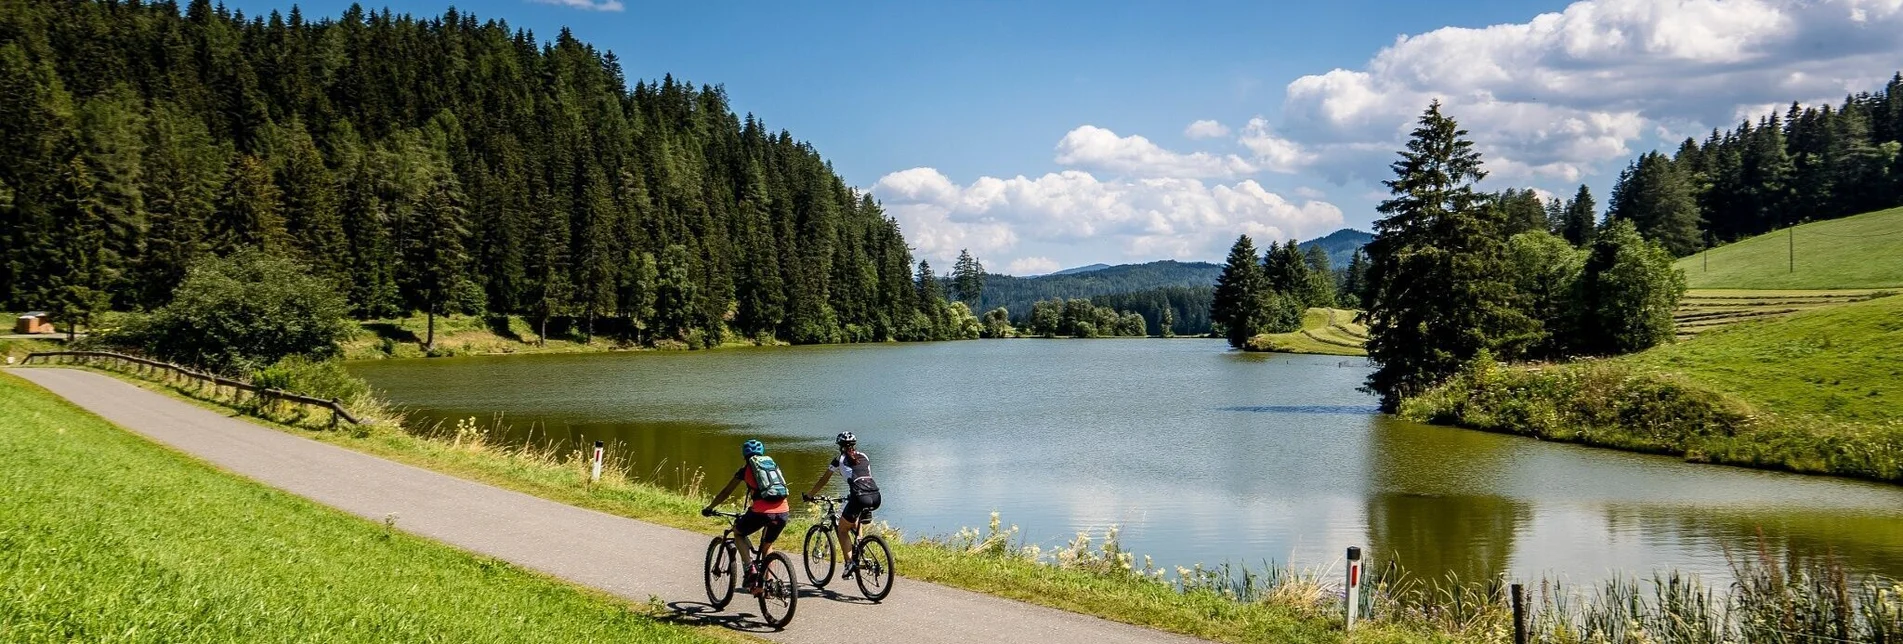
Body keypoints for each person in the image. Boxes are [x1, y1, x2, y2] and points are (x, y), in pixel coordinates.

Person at [703, 439, 791, 595]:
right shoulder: (771, 465)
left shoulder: (745, 470)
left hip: (761, 512)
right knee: (767, 546)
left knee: (738, 532)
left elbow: (725, 492)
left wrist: (710, 507)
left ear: (745, 455)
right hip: (784, 511)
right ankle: (765, 584)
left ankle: (749, 567)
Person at [803, 431, 880, 576]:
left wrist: (809, 495)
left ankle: (850, 563)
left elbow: (823, 480)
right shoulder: (864, 456)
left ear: (840, 446)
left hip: (859, 497)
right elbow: (865, 478)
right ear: (854, 445)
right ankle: (860, 544)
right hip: (875, 495)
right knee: (854, 519)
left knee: (842, 530)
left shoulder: (838, 460)